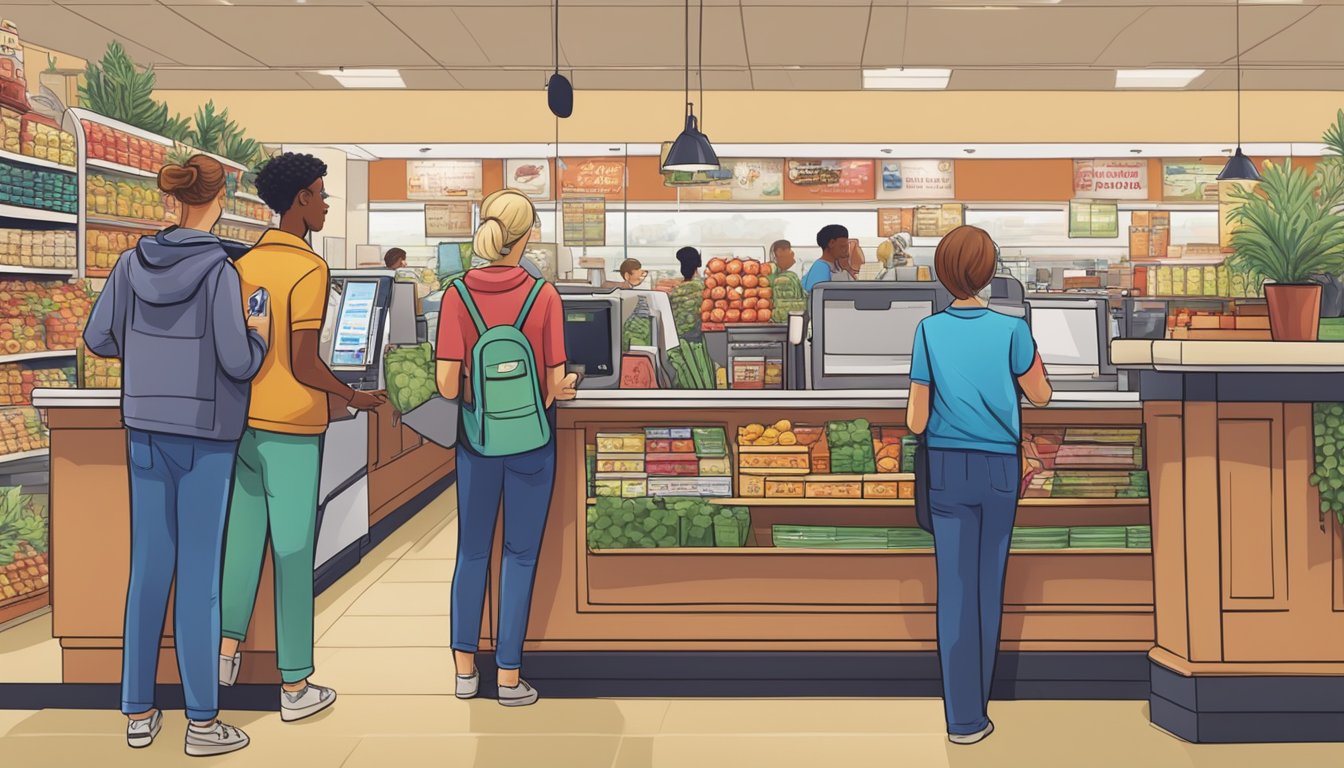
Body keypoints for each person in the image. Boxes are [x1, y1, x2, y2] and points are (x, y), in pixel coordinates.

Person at [83, 154, 267, 757]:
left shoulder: (131, 263)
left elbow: (98, 337)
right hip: (206, 433)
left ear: (172, 201)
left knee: (148, 569)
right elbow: (239, 362)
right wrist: (258, 329)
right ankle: (203, 723)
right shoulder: (220, 272)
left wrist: (147, 348)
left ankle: (138, 712)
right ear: (218, 201)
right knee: (199, 578)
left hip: (144, 429)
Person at [218, 153, 386, 722]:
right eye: (319, 193)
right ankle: (295, 687)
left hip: (242, 423)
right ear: (299, 201)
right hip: (291, 424)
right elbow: (305, 359)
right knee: (293, 553)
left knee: (241, 542)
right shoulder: (310, 269)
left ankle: (223, 657)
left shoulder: (243, 264)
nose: (325, 202)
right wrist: (354, 395)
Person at [905, 225, 1053, 746]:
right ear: (991, 272)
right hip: (998, 470)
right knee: (989, 586)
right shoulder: (1013, 329)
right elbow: (1040, 397)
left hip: (946, 468)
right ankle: (979, 712)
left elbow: (916, 421)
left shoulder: (928, 331)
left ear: (943, 273)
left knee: (955, 591)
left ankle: (961, 719)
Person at [435, 189, 579, 707]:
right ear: (526, 235)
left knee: (471, 552)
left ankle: (463, 672)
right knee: (519, 557)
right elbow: (556, 383)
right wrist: (557, 389)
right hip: (532, 444)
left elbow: (448, 387)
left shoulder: (455, 295)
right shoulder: (545, 295)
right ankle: (511, 679)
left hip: (477, 440)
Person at [802, 224, 852, 292]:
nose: (847, 249)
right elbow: (816, 295)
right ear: (831, 243)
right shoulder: (821, 267)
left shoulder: (837, 267)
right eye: (843, 246)